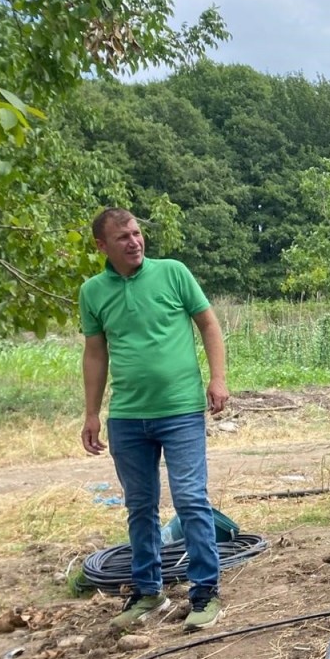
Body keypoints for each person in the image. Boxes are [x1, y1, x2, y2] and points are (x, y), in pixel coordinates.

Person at [79, 207, 229, 632]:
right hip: (127, 417)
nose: (134, 242)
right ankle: (148, 592)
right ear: (102, 246)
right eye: (123, 237)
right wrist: (92, 413)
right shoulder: (93, 291)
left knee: (190, 498)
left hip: (180, 409)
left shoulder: (173, 273)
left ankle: (205, 592)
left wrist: (218, 378)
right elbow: (95, 353)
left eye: (136, 233)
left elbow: (209, 324)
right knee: (140, 506)